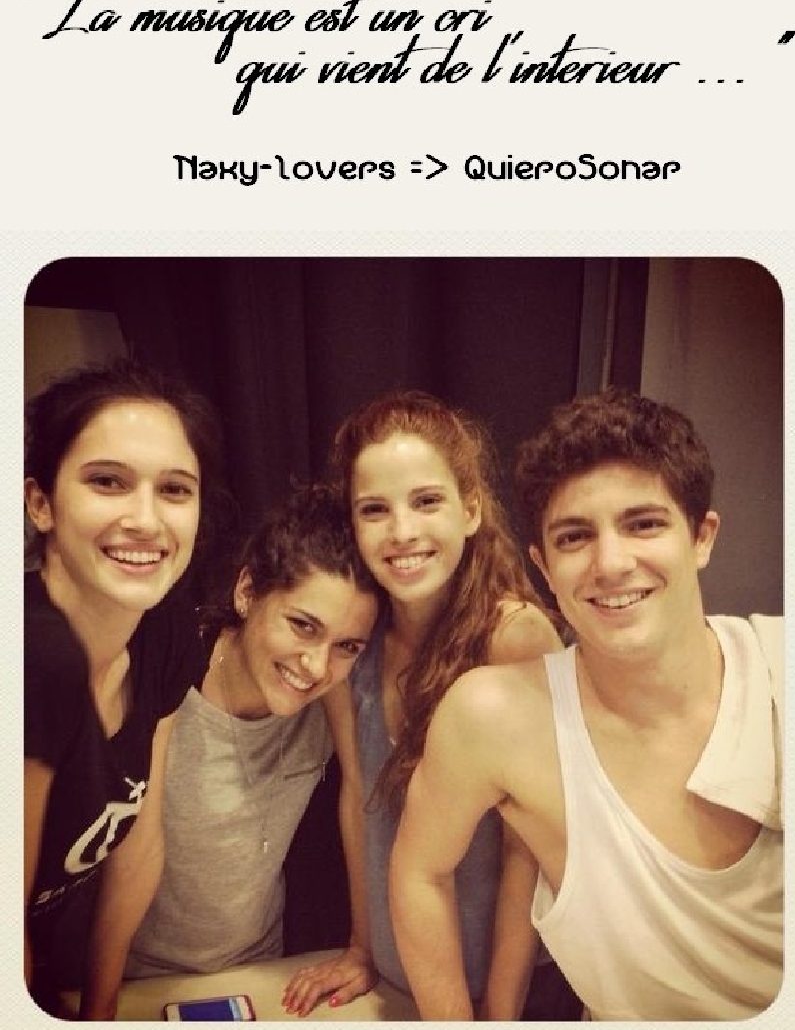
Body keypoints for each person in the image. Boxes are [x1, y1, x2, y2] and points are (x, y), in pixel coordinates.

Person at [390, 388, 784, 1021]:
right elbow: (418, 872)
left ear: (701, 536)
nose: (611, 563)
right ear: (544, 568)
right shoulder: (494, 717)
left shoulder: (778, 673)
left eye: (643, 524)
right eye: (575, 537)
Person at [283, 391, 575, 1019]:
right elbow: (358, 799)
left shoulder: (515, 637)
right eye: (374, 509)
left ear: (470, 510)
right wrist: (362, 948)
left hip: (511, 989)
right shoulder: (353, 642)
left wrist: (496, 1013)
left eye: (426, 501)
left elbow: (527, 851)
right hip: (401, 981)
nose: (402, 532)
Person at [24, 358, 224, 1019]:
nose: (145, 519)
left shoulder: (166, 629)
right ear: (40, 503)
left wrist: (102, 1010)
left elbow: (139, 844)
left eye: (174, 489)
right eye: (107, 481)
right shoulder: (31, 656)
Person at [124, 483, 381, 977]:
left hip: (258, 969)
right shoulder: (169, 675)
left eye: (346, 646)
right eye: (302, 625)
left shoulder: (330, 697)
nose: (315, 665)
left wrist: (362, 949)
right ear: (247, 592)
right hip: (135, 976)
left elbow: (361, 796)